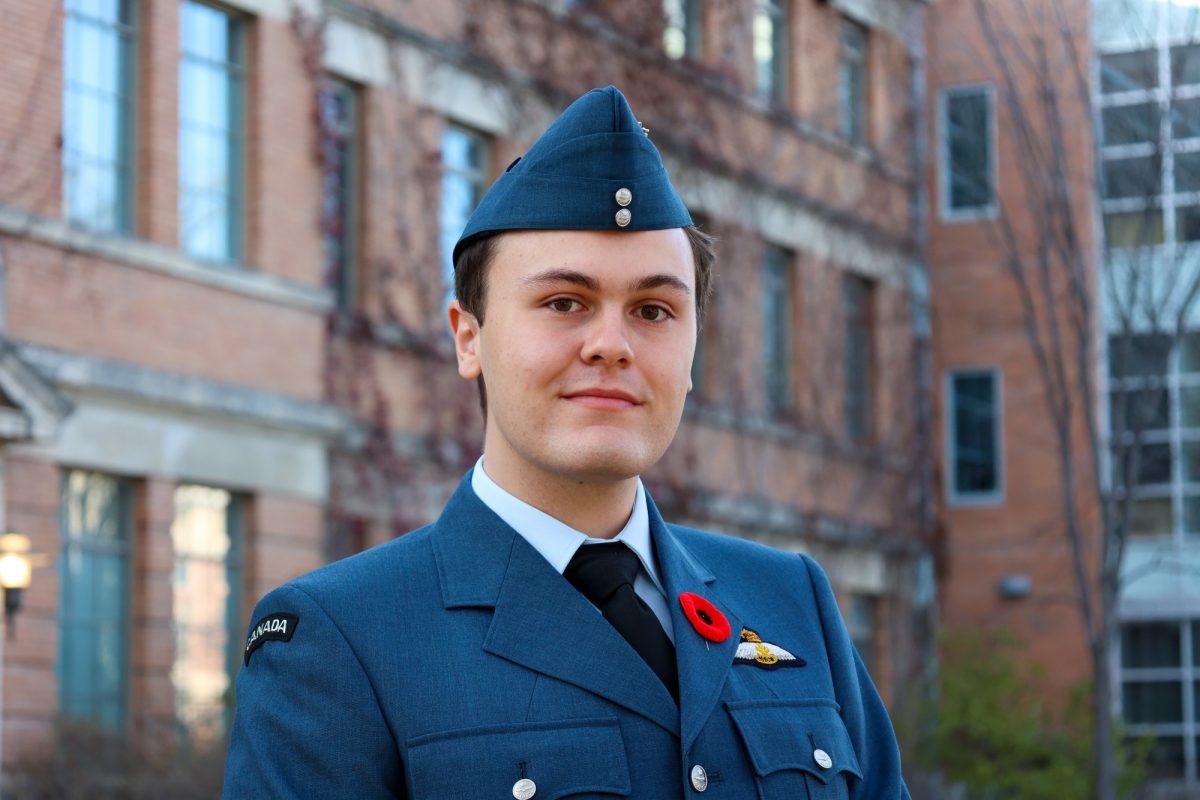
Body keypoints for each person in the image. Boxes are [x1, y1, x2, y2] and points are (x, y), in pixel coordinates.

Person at [223, 85, 910, 799]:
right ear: (469, 337)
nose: (612, 345)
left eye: (653, 310)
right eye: (564, 303)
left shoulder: (788, 601)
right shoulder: (345, 638)